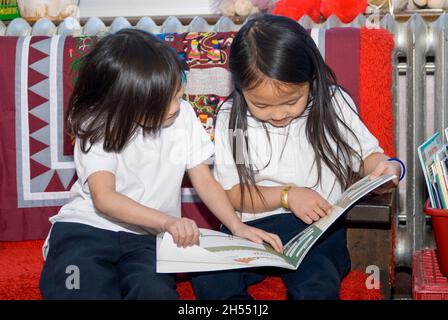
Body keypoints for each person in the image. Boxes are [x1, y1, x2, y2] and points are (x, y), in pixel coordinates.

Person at [39, 28, 283, 300]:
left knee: (155, 292)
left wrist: (237, 227)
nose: (174, 108)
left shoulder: (184, 116)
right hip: (86, 229)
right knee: (80, 288)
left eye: (178, 95)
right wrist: (168, 221)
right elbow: (104, 198)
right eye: (161, 103)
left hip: (147, 239)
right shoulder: (98, 123)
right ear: (124, 103)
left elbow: (204, 180)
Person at [191, 14, 403, 300]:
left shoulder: (333, 104)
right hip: (252, 232)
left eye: (291, 101)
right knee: (209, 281)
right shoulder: (234, 120)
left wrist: (384, 168)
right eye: (262, 105)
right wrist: (288, 196)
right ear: (241, 90)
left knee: (317, 284)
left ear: (310, 79)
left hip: (315, 233)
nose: (278, 114)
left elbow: (368, 157)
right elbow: (233, 193)